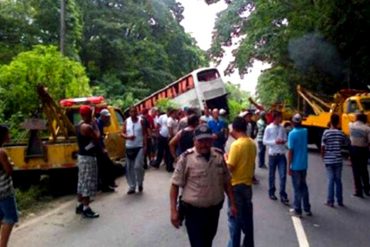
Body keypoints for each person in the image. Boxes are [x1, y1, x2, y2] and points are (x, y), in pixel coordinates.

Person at [170, 124, 237, 247]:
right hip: (193, 213)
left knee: (208, 241)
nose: (204, 144)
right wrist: (174, 211)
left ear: (212, 140)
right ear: (194, 141)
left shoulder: (219, 156)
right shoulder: (186, 158)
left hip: (214, 211)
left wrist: (232, 204)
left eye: (207, 140)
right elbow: (175, 185)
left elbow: (227, 181)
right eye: (201, 141)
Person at [225, 117, 256, 247]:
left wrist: (225, 157)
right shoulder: (251, 143)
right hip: (247, 185)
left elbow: (230, 167)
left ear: (235, 128)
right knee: (247, 219)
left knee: (235, 220)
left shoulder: (236, 145)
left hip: (236, 185)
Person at [76, 105, 100, 218]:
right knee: (88, 182)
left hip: (81, 156)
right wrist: (95, 124)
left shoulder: (79, 125)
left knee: (82, 181)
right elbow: (97, 137)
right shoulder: (87, 127)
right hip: (88, 158)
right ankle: (86, 207)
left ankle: (80, 205)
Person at [287, 114, 312, 217]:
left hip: (296, 165)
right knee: (304, 186)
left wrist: (289, 166)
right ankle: (307, 209)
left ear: (293, 122)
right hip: (304, 164)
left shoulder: (292, 134)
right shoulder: (305, 132)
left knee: (297, 188)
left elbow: (290, 151)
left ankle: (297, 209)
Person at [263, 111, 289, 205]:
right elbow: (264, 141)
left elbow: (286, 139)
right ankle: (271, 192)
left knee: (283, 175)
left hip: (281, 154)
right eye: (279, 117)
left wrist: (283, 141)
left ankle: (282, 194)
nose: (280, 119)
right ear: (275, 118)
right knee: (271, 175)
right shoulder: (268, 128)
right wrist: (275, 142)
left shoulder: (282, 128)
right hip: (272, 154)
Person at [321, 114, 347, 206]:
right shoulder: (341, 133)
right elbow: (344, 143)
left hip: (329, 159)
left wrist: (323, 156)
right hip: (338, 159)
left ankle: (330, 201)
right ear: (338, 122)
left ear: (330, 121)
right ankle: (340, 200)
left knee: (330, 180)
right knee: (338, 180)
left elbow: (323, 146)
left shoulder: (326, 133)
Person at [121, 107, 147, 194]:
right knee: (129, 168)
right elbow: (122, 133)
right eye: (132, 112)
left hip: (139, 146)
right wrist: (128, 137)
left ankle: (140, 182)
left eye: (135, 111)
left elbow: (144, 134)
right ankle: (132, 186)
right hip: (129, 147)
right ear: (129, 113)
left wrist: (145, 145)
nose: (134, 113)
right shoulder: (126, 121)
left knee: (138, 166)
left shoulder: (141, 121)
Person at [0, 125, 18, 246]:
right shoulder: (1, 152)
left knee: (1, 217)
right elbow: (9, 171)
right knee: (10, 218)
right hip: (4, 190)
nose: (9, 136)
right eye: (8, 134)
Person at [349, 112, 370, 198]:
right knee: (364, 170)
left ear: (357, 118)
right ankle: (367, 189)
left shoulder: (351, 126)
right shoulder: (367, 129)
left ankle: (358, 191)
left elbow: (349, 123)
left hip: (353, 150)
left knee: (355, 171)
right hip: (363, 150)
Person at [96, 109, 116, 192]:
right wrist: (103, 148)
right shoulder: (98, 123)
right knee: (108, 165)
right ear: (103, 117)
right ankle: (107, 185)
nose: (108, 119)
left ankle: (108, 184)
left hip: (99, 148)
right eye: (107, 117)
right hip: (99, 149)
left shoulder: (100, 123)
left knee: (105, 167)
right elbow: (98, 138)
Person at [151, 108, 176, 172]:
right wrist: (157, 134)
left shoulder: (172, 118)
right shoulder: (162, 117)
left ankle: (169, 166)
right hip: (162, 135)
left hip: (168, 137)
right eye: (169, 112)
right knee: (160, 151)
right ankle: (157, 163)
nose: (169, 113)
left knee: (168, 152)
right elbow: (158, 126)